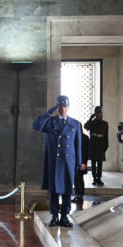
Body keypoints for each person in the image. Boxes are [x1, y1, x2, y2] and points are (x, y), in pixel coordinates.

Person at [33, 95, 82, 227]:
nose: (63, 109)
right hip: (54, 162)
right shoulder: (50, 122)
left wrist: (78, 162)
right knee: (54, 190)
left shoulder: (75, 124)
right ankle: (54, 216)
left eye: (65, 106)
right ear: (57, 107)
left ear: (68, 107)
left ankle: (65, 216)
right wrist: (49, 112)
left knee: (67, 190)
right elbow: (36, 125)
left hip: (68, 162)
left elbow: (78, 145)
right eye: (60, 106)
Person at [84, 106, 109, 185]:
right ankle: (94, 178)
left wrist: (106, 146)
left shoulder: (105, 124)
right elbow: (85, 126)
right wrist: (91, 118)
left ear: (101, 114)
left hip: (101, 145)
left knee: (100, 163)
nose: (98, 115)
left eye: (99, 113)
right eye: (97, 113)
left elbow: (106, 136)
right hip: (93, 145)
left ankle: (99, 178)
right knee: (93, 163)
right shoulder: (92, 123)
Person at [73, 132, 89, 204]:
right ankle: (77, 195)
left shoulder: (85, 137)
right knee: (75, 179)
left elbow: (86, 151)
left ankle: (80, 196)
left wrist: (84, 162)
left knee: (79, 179)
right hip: (74, 161)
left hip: (81, 162)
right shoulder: (74, 136)